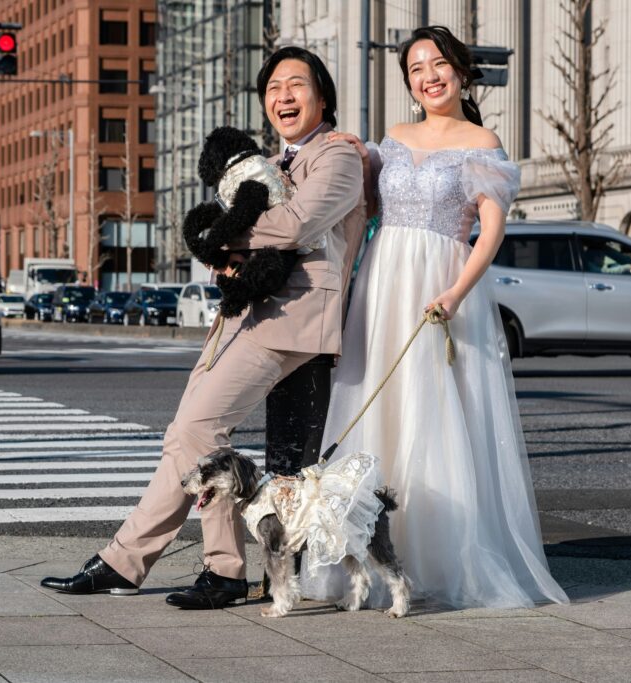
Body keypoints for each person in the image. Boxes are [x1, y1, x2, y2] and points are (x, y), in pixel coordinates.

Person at [41, 46, 368, 609]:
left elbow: (293, 225)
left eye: (296, 85)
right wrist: (227, 255)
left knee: (195, 431)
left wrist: (218, 235)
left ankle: (196, 567)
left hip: (292, 320)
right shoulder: (273, 161)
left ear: (323, 97)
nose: (282, 97)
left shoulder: (338, 159)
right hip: (248, 315)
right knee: (184, 436)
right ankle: (157, 564)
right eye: (272, 89)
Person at [305, 26, 569, 610]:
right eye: (417, 68)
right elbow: (360, 201)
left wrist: (455, 292)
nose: (429, 75)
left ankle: (437, 557)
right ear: (408, 83)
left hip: (440, 283)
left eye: (438, 64)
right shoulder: (392, 140)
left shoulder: (482, 141)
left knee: (436, 412)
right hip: (383, 281)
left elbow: (491, 229)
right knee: (379, 404)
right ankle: (364, 563)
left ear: (461, 70)